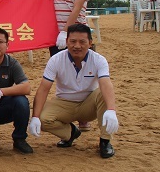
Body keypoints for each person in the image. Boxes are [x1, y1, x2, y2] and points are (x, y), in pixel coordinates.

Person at [29, 24, 120, 159]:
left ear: (90, 43)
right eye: (72, 41)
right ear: (67, 42)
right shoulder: (56, 60)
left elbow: (106, 83)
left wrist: (111, 110)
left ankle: (105, 141)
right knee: (42, 118)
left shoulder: (99, 60)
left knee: (102, 93)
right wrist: (35, 117)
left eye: (82, 42)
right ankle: (71, 133)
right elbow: (43, 89)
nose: (77, 46)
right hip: (64, 103)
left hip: (89, 104)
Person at [51, 0, 92, 131]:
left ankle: (84, 116)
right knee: (62, 76)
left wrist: (65, 32)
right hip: (56, 37)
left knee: (83, 75)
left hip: (77, 35)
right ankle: (66, 114)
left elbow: (77, 8)